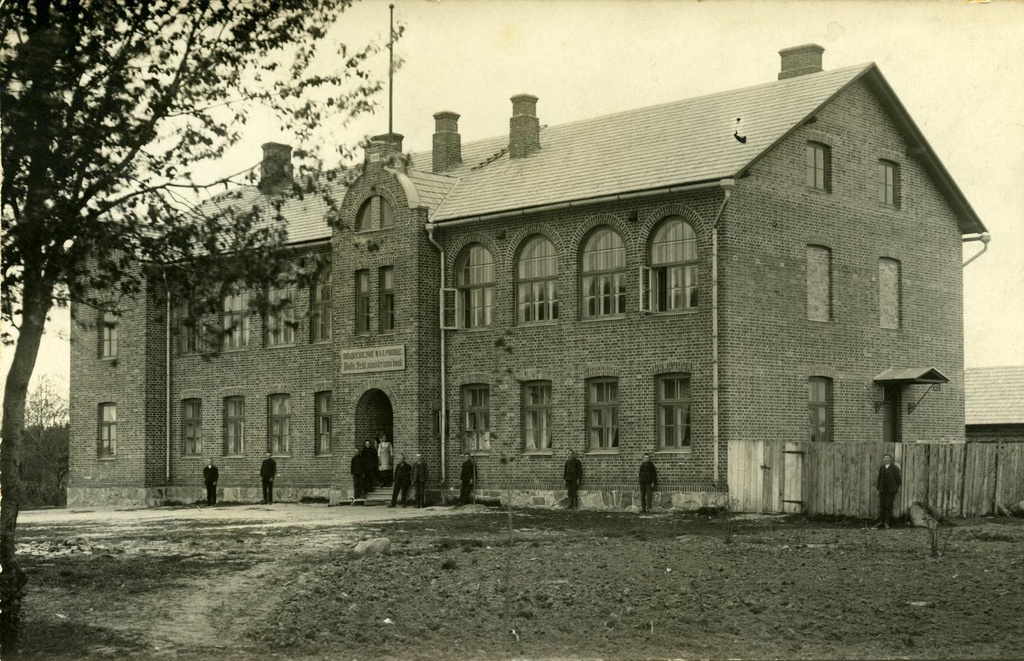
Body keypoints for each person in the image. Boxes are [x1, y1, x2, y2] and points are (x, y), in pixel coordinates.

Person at [876, 453, 902, 529]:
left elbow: (899, 480)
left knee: (888, 506)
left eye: (887, 458)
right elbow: (879, 479)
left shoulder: (894, 468)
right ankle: (881, 521)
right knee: (882, 505)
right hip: (882, 490)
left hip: (890, 490)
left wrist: (894, 488)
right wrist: (879, 488)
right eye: (884, 458)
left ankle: (887, 523)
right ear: (883, 460)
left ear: (890, 459)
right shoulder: (881, 468)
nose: (886, 459)